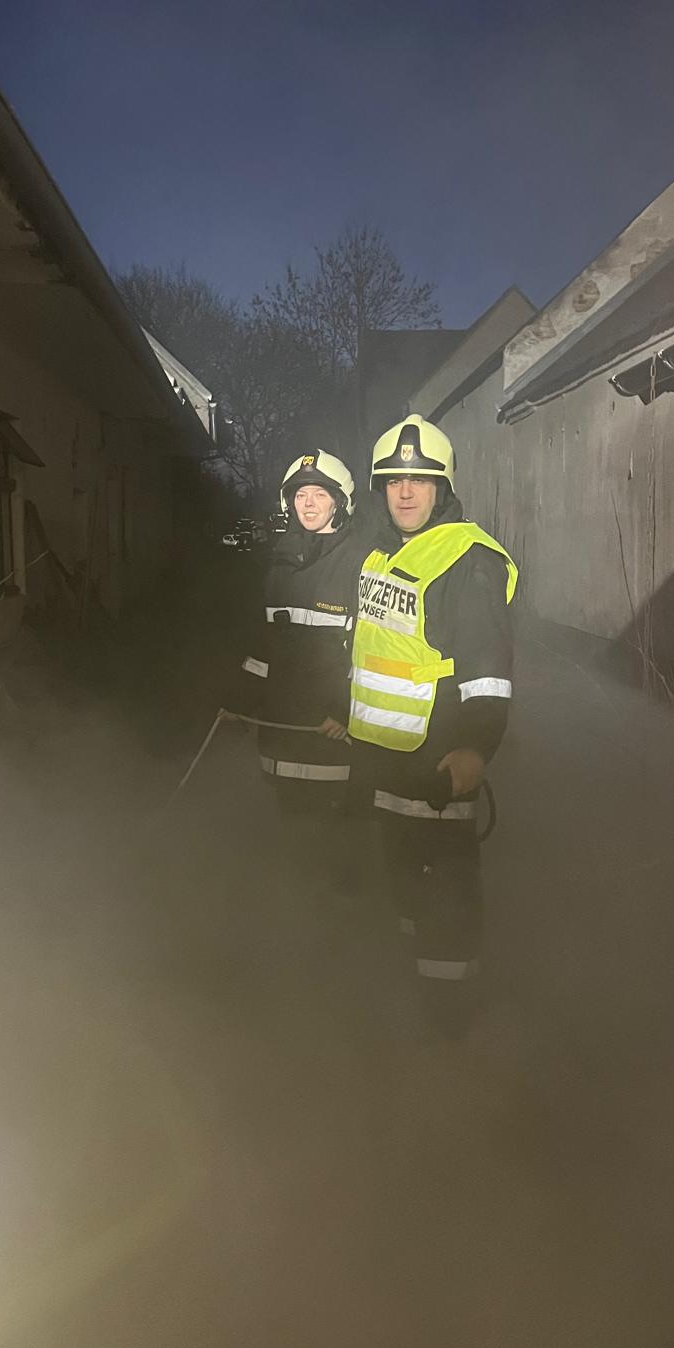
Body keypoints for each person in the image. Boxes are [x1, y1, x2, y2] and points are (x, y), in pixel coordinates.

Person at [346, 414, 517, 1029]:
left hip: (440, 764)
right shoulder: (381, 554)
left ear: (442, 487)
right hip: (384, 764)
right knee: (404, 892)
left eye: (420, 480)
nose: (406, 493)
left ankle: (451, 1029)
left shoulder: (469, 559)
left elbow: (488, 671)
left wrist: (476, 747)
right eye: (394, 481)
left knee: (445, 900)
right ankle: (409, 1000)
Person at [226, 450, 362, 840]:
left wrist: (345, 711)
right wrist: (239, 701)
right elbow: (265, 648)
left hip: (332, 741)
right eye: (300, 495)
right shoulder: (280, 564)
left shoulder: (361, 564)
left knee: (336, 847)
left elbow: (372, 654)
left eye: (320, 494)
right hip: (281, 739)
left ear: (339, 502)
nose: (309, 504)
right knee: (288, 844)